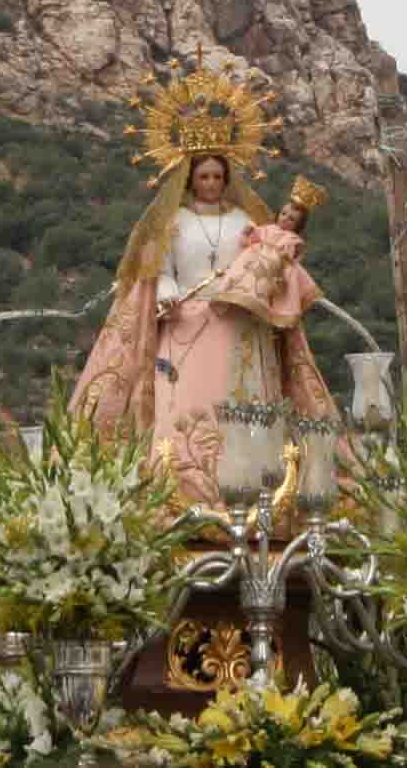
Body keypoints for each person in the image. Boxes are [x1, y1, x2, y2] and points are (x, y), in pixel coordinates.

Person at [70, 70, 339, 508]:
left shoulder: (244, 222)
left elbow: (267, 261)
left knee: (237, 412)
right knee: (184, 410)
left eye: (217, 176)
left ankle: (250, 496)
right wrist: (168, 294)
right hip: (183, 325)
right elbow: (162, 269)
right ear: (190, 178)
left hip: (237, 328)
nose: (211, 184)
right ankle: (177, 494)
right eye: (203, 177)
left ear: (226, 177)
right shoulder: (173, 222)